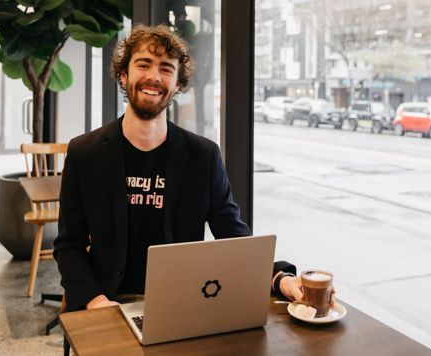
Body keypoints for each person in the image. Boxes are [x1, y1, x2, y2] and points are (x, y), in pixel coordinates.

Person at [53, 24, 304, 312]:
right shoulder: (85, 152)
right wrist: (95, 301)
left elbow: (234, 237)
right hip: (108, 301)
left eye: (166, 69)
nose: (154, 76)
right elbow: (68, 245)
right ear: (123, 74)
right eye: (143, 64)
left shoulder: (203, 156)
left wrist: (280, 278)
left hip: (182, 303)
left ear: (178, 85)